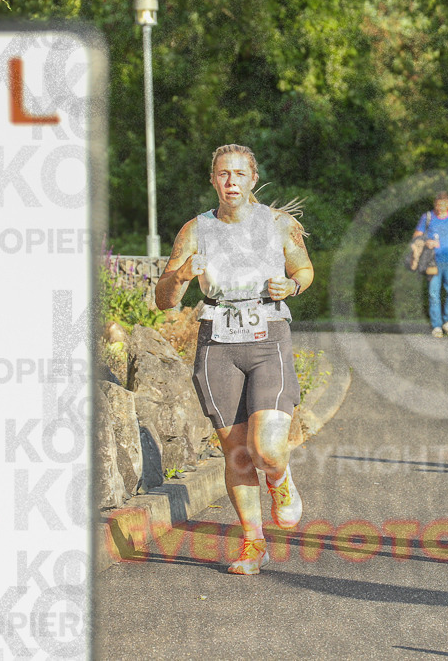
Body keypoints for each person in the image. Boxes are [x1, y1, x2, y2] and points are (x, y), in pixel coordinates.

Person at [155, 143, 314, 573]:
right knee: (238, 453)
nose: (231, 182)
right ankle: (253, 544)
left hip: (268, 337)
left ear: (252, 180)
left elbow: (304, 269)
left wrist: (293, 287)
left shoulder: (278, 224)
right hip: (217, 344)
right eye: (223, 174)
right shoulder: (195, 230)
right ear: (213, 180)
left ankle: (280, 481)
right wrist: (180, 276)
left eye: (239, 174)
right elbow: (164, 301)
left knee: (267, 448)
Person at [412, 191, 448, 337]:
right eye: (437, 204)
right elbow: (416, 236)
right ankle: (436, 326)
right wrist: (425, 241)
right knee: (434, 293)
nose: (439, 208)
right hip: (432, 262)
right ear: (434, 204)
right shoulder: (427, 217)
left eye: (442, 205)